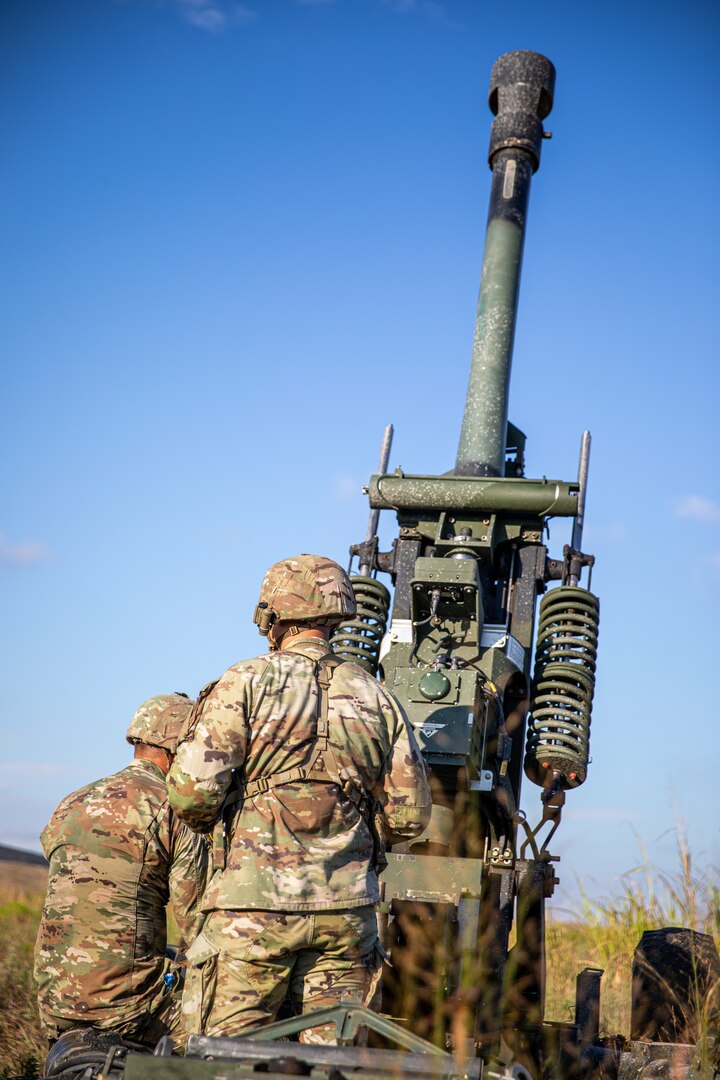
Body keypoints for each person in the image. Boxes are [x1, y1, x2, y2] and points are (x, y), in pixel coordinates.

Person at [167, 554, 431, 1043]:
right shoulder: (378, 697)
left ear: (273, 616)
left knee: (227, 1059)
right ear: (337, 615)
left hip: (252, 914)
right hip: (346, 918)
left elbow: (191, 795)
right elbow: (411, 816)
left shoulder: (243, 682)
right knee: (330, 1066)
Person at [34, 693, 209, 1051]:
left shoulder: (72, 801)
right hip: (128, 1008)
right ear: (179, 749)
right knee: (243, 1016)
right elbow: (198, 923)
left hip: (54, 1003)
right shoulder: (173, 809)